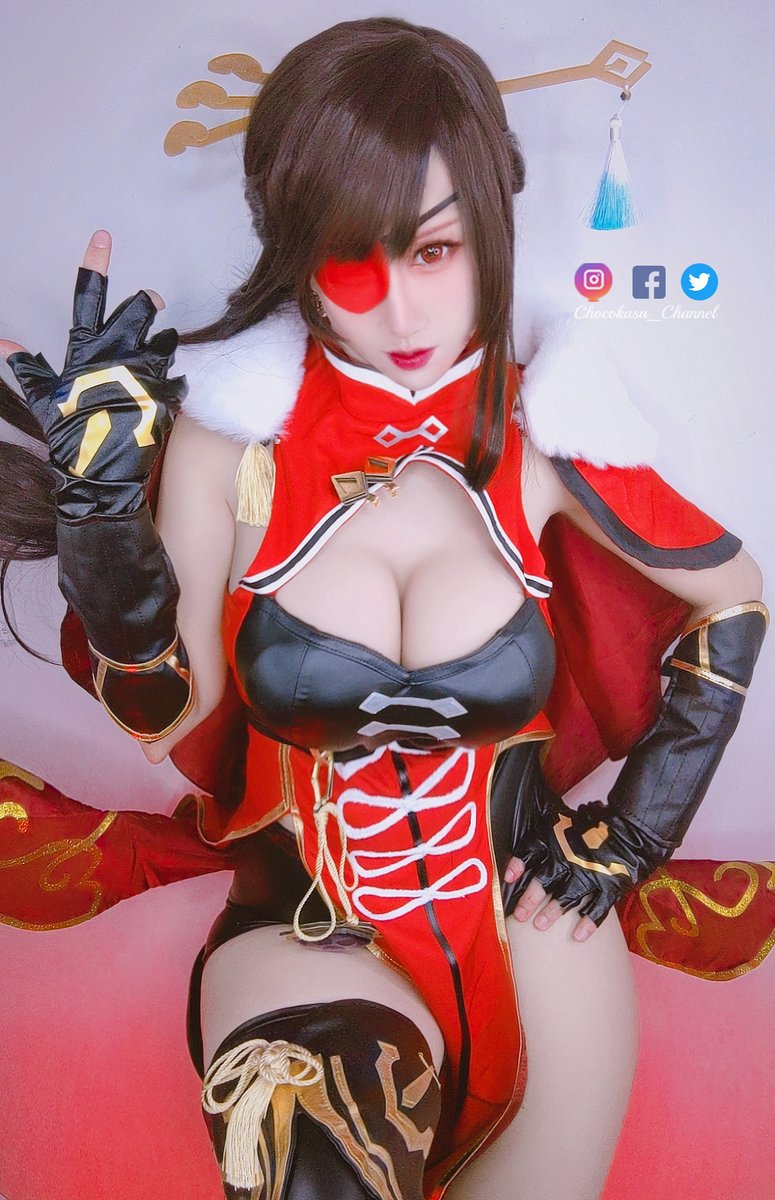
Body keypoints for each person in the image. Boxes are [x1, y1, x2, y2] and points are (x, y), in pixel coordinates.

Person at [0, 17, 769, 1200]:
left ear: (492, 228)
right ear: (292, 251)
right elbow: (169, 715)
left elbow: (732, 597)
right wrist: (105, 538)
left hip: (536, 930)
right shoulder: (234, 437)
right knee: (321, 1168)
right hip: (304, 928)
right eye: (349, 261)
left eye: (437, 250)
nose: (401, 315)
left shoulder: (546, 431)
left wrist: (630, 838)